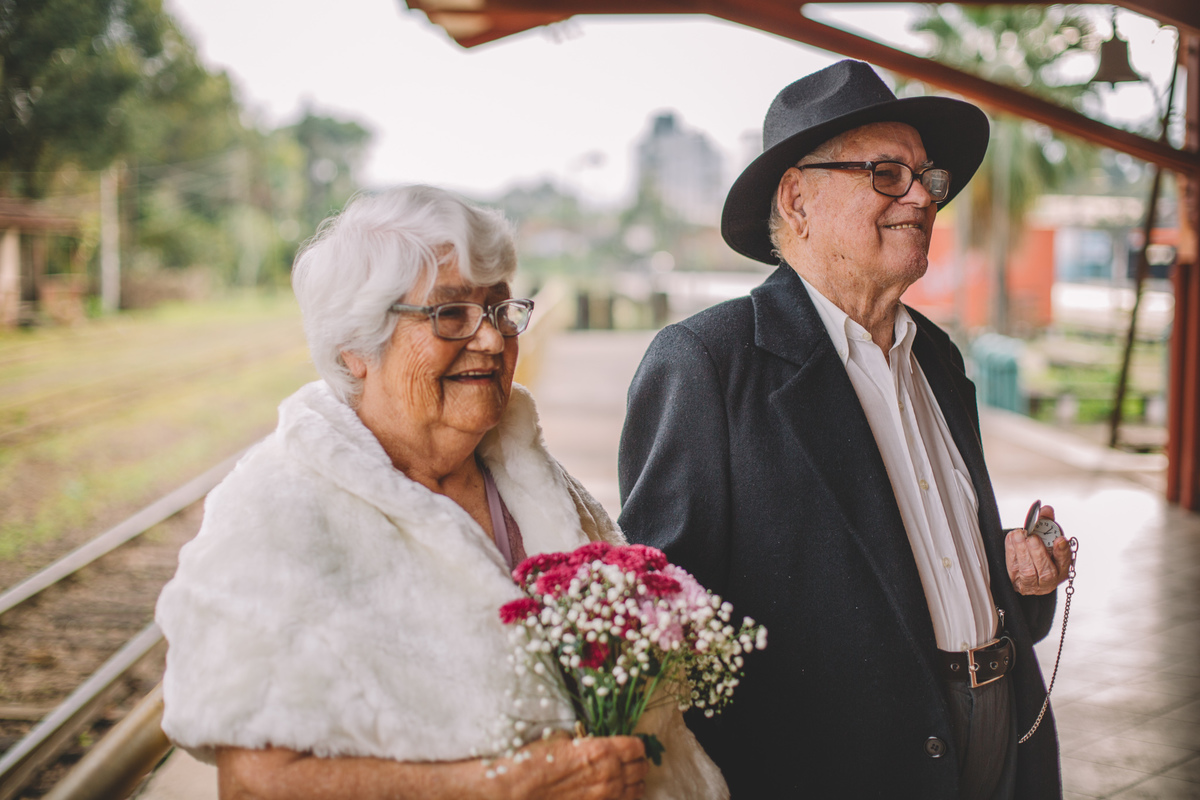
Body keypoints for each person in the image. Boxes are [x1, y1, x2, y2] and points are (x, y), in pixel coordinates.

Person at [155, 186, 727, 800]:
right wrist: (506, 787)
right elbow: (256, 785)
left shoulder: (533, 478)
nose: (491, 341)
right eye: (449, 314)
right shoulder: (273, 512)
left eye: (501, 310)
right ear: (355, 348)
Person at [618, 60, 1072, 799]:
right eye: (888, 174)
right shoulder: (709, 362)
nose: (921, 198)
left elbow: (929, 558)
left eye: (927, 178)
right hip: (841, 769)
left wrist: (1020, 577)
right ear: (798, 199)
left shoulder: (936, 354)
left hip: (1005, 737)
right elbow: (669, 624)